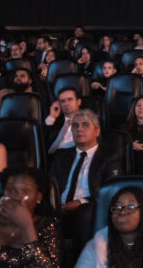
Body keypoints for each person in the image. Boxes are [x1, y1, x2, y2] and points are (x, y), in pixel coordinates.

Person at [49, 109, 121, 254]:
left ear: (97, 131)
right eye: (75, 126)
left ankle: (80, 267)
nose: (79, 129)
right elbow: (49, 185)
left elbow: (111, 190)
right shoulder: (62, 156)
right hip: (59, 208)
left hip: (89, 209)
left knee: (85, 212)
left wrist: (80, 202)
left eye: (85, 125)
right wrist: (56, 204)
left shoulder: (109, 158)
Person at [45, 88, 82, 155]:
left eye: (70, 99)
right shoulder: (55, 122)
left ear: (78, 102)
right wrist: (52, 117)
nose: (66, 103)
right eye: (62, 101)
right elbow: (44, 145)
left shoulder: (88, 120)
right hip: (56, 159)